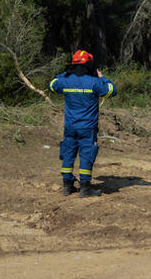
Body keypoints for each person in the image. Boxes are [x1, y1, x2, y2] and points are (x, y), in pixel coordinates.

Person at [49, 50, 116, 197]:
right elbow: (111, 91)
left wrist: (66, 74)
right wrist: (102, 78)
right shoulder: (95, 82)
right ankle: (85, 187)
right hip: (87, 127)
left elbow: (52, 85)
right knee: (86, 155)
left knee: (68, 153)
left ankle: (67, 185)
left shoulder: (65, 80)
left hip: (70, 126)